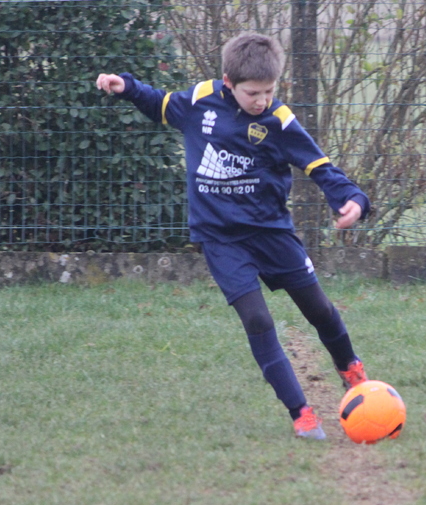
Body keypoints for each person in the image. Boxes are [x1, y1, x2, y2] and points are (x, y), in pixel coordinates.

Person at [95, 32, 371, 439]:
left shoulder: (278, 119)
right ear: (229, 82)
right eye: (252, 93)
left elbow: (318, 165)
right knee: (257, 319)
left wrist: (352, 199)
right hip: (220, 239)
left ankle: (350, 367)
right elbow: (161, 105)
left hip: (271, 231)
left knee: (318, 308)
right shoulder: (201, 100)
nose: (261, 101)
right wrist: (128, 87)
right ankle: (300, 412)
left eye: (269, 91)